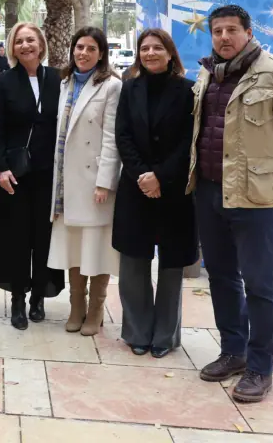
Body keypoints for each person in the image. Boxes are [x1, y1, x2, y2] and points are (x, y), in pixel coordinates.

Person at [190, 4, 273, 403]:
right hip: (210, 193)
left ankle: (260, 368)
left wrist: (272, 181)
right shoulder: (207, 73)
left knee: (262, 287)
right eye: (217, 31)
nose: (223, 37)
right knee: (222, 277)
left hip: (258, 202)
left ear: (248, 32)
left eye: (231, 30)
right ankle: (234, 352)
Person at [113, 28, 197, 358]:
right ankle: (136, 331)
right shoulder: (129, 89)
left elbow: (189, 141)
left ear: (170, 53)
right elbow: (123, 136)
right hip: (136, 189)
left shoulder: (189, 91)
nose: (150, 53)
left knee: (171, 267)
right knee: (133, 264)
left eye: (157, 48)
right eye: (144, 48)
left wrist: (160, 176)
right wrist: (142, 175)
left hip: (174, 190)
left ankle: (165, 335)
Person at [0, 21, 64, 330]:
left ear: (41, 45)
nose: (25, 46)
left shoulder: (57, 80)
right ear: (12, 47)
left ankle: (39, 298)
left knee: (43, 237)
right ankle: (18, 297)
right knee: (15, 237)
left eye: (31, 40)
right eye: (19, 41)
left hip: (48, 173)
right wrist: (0, 168)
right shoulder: (3, 82)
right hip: (13, 173)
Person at [46, 26, 122, 337]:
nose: (83, 53)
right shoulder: (65, 82)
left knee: (97, 248)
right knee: (73, 248)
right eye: (79, 47)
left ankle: (96, 309)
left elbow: (111, 138)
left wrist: (104, 182)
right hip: (66, 182)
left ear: (101, 53)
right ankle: (77, 305)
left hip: (94, 183)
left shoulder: (111, 86)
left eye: (91, 48)